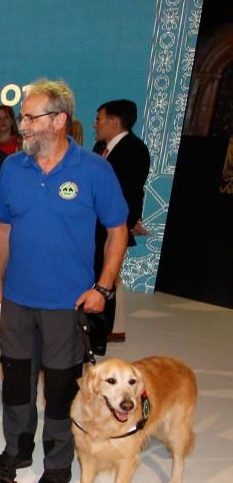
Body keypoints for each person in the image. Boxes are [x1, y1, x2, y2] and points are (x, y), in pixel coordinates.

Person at [0, 79, 128, 483]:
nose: (23, 126)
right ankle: (16, 450)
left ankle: (57, 462)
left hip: (67, 306)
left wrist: (102, 288)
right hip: (16, 301)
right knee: (15, 382)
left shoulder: (94, 171)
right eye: (22, 118)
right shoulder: (13, 167)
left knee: (61, 389)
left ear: (59, 120)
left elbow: (117, 232)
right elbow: (4, 229)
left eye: (30, 118)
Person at [92, 99, 151, 343]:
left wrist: (125, 225)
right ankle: (90, 329)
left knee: (105, 280)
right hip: (91, 227)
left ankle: (98, 336)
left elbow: (131, 193)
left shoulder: (134, 150)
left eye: (99, 119)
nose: (95, 124)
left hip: (111, 229)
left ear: (114, 122)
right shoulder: (99, 148)